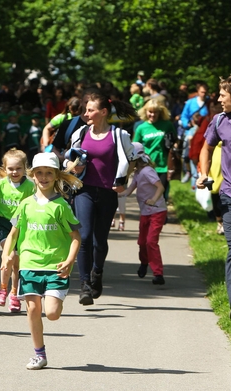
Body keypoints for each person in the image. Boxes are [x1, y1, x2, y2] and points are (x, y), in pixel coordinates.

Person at [1, 152, 82, 370]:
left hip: (56, 266)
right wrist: (7, 255)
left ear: (56, 176)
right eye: (39, 173)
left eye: (48, 173)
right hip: (29, 264)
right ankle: (39, 354)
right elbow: (13, 233)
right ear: (33, 175)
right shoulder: (26, 204)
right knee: (33, 310)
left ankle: (57, 297)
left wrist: (69, 260)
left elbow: (76, 238)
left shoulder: (61, 206)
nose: (43, 177)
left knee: (52, 313)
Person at [65, 91, 136, 306]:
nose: (86, 113)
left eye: (90, 110)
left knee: (99, 240)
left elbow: (131, 160)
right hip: (84, 190)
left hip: (107, 193)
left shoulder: (119, 135)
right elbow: (68, 162)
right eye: (86, 109)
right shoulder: (80, 133)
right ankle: (84, 284)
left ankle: (97, 272)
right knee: (84, 236)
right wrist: (73, 168)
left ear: (103, 112)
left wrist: (123, 179)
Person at [197, 74, 231, 323]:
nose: (219, 98)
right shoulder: (220, 120)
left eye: (223, 94)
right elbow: (206, 148)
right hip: (230, 195)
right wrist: (203, 172)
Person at [0, 149, 34, 312]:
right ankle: (2, 289)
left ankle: (14, 294)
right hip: (5, 225)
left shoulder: (30, 186)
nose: (14, 172)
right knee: (9, 256)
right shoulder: (0, 185)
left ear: (25, 168)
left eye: (18, 168)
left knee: (16, 264)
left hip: (23, 227)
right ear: (5, 169)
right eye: (11, 169)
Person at [118, 144, 167, 285]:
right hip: (145, 212)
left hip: (157, 211)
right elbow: (128, 191)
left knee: (151, 241)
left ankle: (158, 274)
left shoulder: (147, 171)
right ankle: (144, 263)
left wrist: (153, 199)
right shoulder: (138, 174)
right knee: (142, 242)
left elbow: (160, 187)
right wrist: (115, 192)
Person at [133, 99, 178, 200]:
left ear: (160, 112)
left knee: (161, 195)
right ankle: (149, 215)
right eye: (150, 112)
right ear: (145, 112)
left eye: (155, 112)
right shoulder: (141, 128)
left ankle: (162, 215)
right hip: (147, 166)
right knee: (149, 195)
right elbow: (135, 147)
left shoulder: (167, 125)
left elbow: (175, 140)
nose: (153, 115)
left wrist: (173, 145)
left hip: (163, 165)